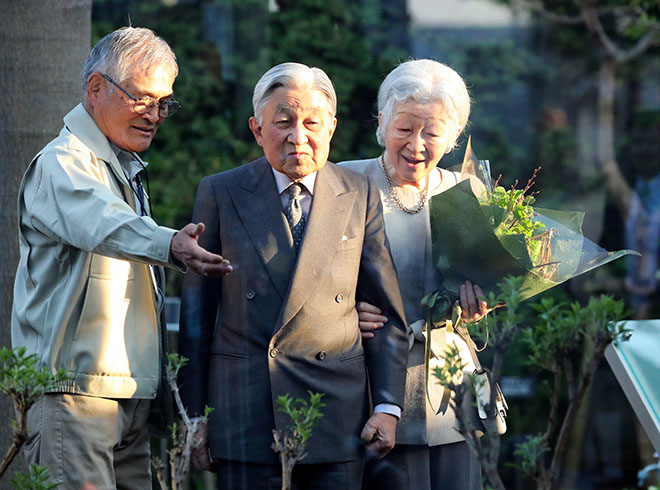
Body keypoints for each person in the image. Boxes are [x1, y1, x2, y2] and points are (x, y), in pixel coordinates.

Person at [11, 27, 231, 490]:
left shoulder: (121, 165)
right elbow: (103, 222)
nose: (154, 115)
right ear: (96, 88)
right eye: (142, 98)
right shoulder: (62, 162)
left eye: (164, 103)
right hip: (75, 396)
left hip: (128, 396)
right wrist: (171, 244)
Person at [177, 62, 410, 490]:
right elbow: (196, 319)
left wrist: (387, 407)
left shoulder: (358, 192)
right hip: (245, 414)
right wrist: (194, 416)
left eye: (311, 123)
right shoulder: (221, 192)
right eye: (283, 122)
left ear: (331, 127)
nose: (298, 136)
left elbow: (386, 312)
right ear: (257, 128)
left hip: (336, 414)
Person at [340, 59, 489, 490]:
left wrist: (481, 307)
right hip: (369, 384)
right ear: (381, 121)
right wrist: (341, 312)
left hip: (451, 388)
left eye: (432, 132)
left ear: (454, 136)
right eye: (404, 128)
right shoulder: (343, 183)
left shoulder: (467, 193)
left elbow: (488, 297)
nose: (416, 144)